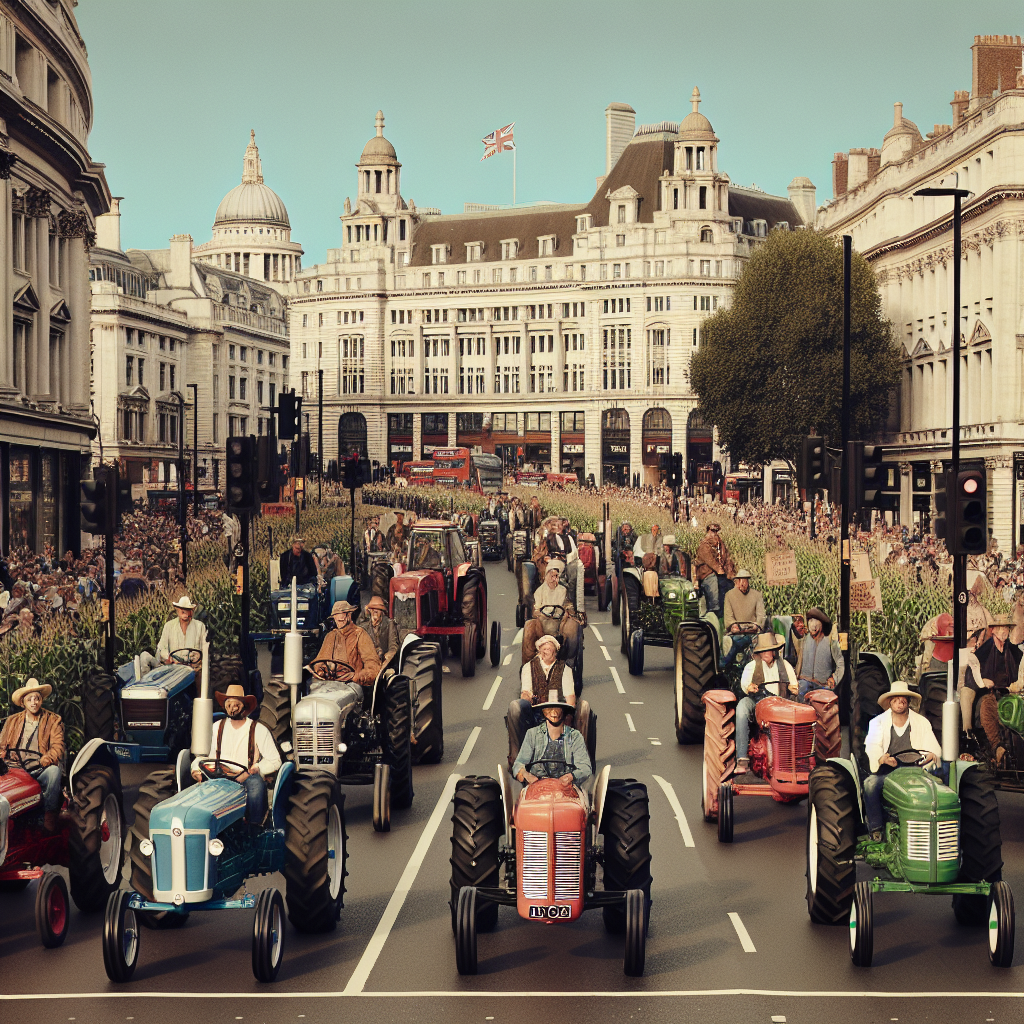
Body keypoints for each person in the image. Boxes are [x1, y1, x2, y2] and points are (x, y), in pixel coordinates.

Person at [863, 681, 942, 840]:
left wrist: (931, 754)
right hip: (889, 772)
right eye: (896, 700)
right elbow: (872, 746)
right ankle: (876, 828)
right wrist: (882, 758)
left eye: (903, 699)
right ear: (890, 702)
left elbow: (933, 748)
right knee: (870, 784)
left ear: (908, 701)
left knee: (940, 786)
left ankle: (936, 828)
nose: (900, 703)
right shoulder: (877, 722)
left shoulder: (921, 722)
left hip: (917, 770)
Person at [191, 684, 280, 824]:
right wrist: (196, 769)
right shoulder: (216, 727)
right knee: (197, 792)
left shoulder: (258, 729)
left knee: (256, 786)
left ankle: (254, 826)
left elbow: (275, 760)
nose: (232, 708)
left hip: (246, 777)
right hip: (218, 775)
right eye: (229, 705)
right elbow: (203, 756)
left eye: (236, 704)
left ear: (244, 706)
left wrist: (256, 768)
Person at [0, 678, 65, 831]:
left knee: (54, 772)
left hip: (39, 768)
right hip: (15, 769)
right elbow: (1, 746)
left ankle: (49, 816)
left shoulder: (53, 720)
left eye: (37, 698)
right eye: (30, 699)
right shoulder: (12, 721)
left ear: (41, 700)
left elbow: (57, 747)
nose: (34, 702)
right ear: (23, 702)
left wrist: (46, 759)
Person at [507, 633, 578, 761]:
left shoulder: (565, 669)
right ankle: (516, 754)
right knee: (515, 706)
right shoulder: (528, 667)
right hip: (536, 710)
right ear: (539, 651)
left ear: (555, 652)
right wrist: (528, 697)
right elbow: (525, 692)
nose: (546, 652)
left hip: (558, 710)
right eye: (544, 649)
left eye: (549, 649)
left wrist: (568, 715)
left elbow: (570, 697)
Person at [735, 632, 798, 773]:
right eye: (763, 651)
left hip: (780, 702)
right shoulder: (752, 666)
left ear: (774, 651)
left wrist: (793, 688)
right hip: (757, 701)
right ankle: (742, 758)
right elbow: (745, 684)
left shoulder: (785, 665)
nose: (766, 653)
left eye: (768, 650)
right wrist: (750, 687)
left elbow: (794, 686)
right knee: (742, 708)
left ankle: (794, 757)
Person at [973, 613, 1024, 764]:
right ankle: (998, 748)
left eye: (1006, 628)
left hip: (1011, 693)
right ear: (993, 630)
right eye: (999, 628)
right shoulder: (982, 653)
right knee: (987, 707)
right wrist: (983, 681)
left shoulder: (1015, 652)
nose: (1003, 632)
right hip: (989, 693)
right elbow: (973, 676)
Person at [512, 696, 592, 787]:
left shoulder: (575, 736)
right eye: (549, 708)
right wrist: (525, 774)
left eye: (558, 708)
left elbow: (585, 768)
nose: (554, 712)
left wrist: (571, 776)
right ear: (543, 711)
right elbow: (519, 763)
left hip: (566, 788)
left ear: (564, 710)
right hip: (537, 787)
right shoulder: (532, 734)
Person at [522, 560, 581, 663]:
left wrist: (568, 611)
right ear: (546, 576)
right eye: (551, 576)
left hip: (560, 622)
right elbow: (536, 608)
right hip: (543, 622)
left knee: (572, 627)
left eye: (556, 576)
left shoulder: (563, 590)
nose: (554, 579)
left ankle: (568, 658)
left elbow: (568, 605)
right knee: (529, 625)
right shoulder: (539, 591)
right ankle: (529, 661)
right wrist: (539, 613)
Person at [314, 600, 381, 685]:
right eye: (335, 616)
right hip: (330, 684)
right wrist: (321, 670)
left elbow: (372, 664)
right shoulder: (331, 636)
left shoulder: (360, 634)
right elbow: (320, 660)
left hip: (352, 685)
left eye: (341, 617)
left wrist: (357, 677)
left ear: (349, 615)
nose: (338, 620)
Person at [795, 607, 845, 700]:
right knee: (801, 695)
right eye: (810, 621)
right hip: (804, 682)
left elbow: (840, 662)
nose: (813, 625)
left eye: (816, 621)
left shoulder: (830, 641)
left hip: (823, 685)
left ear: (822, 623)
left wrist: (835, 678)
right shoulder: (804, 641)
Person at [721, 568, 765, 669]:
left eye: (745, 581)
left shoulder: (757, 595)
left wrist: (757, 624)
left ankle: (726, 663)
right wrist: (733, 625)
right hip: (737, 632)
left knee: (752, 641)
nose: (743, 584)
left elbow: (761, 614)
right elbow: (728, 616)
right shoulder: (729, 595)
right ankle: (726, 666)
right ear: (737, 581)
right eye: (741, 581)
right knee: (735, 641)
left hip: (752, 631)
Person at [694, 522, 734, 615]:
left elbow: (727, 558)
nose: (714, 533)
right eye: (712, 531)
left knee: (730, 585)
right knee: (713, 582)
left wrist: (731, 573)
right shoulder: (704, 545)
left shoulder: (720, 545)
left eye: (716, 531)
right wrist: (719, 569)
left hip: (719, 573)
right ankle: (714, 609)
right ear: (708, 531)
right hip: (706, 574)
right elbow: (710, 560)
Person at [156, 595, 207, 664]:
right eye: (182, 609)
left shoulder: (200, 626)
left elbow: (204, 649)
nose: (185, 612)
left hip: (192, 665)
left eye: (187, 610)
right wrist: (167, 658)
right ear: (177, 610)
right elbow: (162, 647)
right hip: (173, 665)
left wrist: (198, 660)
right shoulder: (169, 626)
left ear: (191, 611)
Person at [358, 595, 399, 668]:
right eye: (373, 609)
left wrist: (389, 655)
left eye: (378, 609)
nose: (375, 611)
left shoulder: (389, 624)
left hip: (385, 663)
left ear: (382, 612)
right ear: (369, 611)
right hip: (369, 663)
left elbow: (393, 645)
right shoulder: (364, 627)